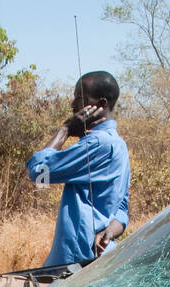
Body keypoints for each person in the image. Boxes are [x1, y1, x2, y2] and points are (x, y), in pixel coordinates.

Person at [27, 70, 131, 266]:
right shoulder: (119, 145)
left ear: (100, 105)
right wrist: (109, 232)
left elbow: (39, 173)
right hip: (100, 260)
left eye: (79, 98)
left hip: (74, 264)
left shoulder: (96, 144)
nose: (73, 105)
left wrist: (65, 129)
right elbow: (122, 210)